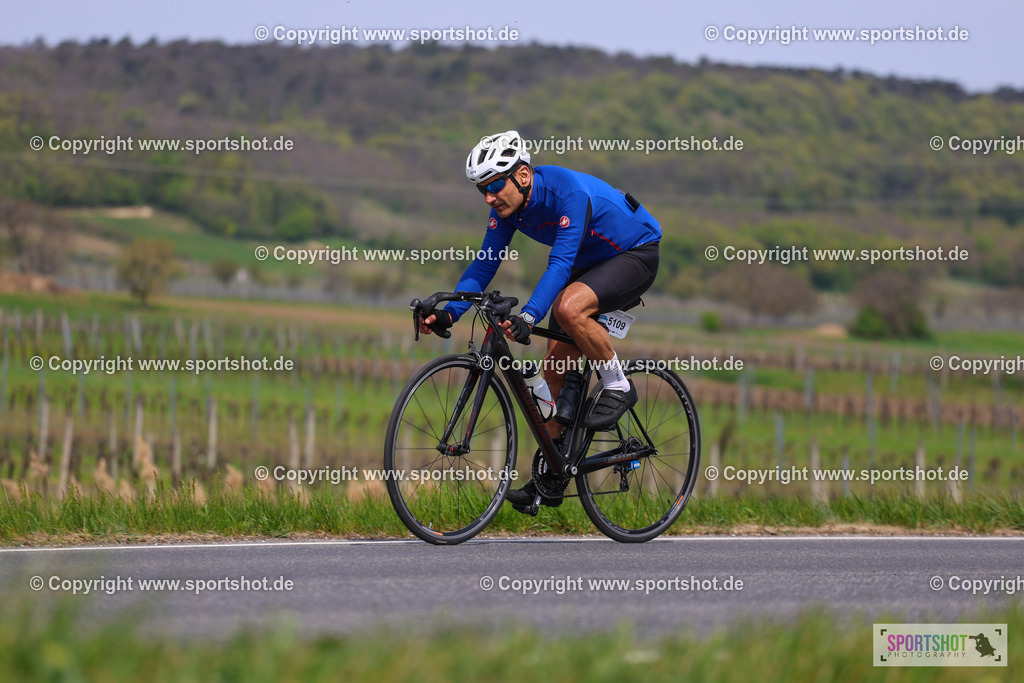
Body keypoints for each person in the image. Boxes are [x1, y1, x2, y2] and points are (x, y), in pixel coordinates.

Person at [418, 130, 661, 513]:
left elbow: (560, 265)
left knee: (568, 308)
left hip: (634, 253)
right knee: (553, 374)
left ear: (522, 175)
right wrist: (450, 311)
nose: (489, 197)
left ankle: (618, 384)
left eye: (494, 186)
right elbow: (483, 266)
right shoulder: (507, 209)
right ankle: (550, 477)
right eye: (481, 189)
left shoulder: (568, 194)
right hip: (589, 263)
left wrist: (530, 316)